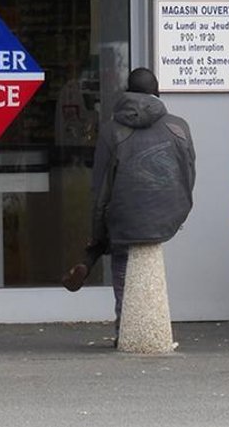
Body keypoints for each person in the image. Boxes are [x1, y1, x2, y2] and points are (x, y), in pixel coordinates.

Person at [61, 67, 196, 341]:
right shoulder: (179, 127)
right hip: (169, 211)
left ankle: (125, 326)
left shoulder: (111, 130)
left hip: (125, 216)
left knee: (121, 251)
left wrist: (97, 233)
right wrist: (179, 207)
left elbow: (101, 189)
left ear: (127, 92)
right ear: (156, 92)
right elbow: (189, 173)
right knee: (131, 228)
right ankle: (141, 325)